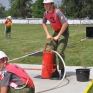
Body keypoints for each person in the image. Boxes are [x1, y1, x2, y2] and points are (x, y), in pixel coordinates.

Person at [42, 0, 69, 79]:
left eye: (47, 4)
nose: (45, 6)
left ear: (52, 4)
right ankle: (54, 71)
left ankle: (62, 70)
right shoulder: (46, 13)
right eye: (44, 4)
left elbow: (65, 24)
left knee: (59, 51)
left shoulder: (57, 12)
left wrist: (58, 36)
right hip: (56, 32)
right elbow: (43, 23)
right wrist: (47, 34)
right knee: (51, 51)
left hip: (63, 33)